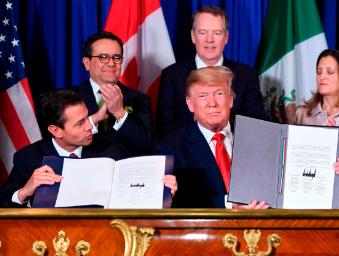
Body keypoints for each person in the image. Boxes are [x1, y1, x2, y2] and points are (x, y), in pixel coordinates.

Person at [157, 66, 339, 208]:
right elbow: (179, 203)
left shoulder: (265, 138)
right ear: (189, 104)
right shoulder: (171, 148)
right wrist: (231, 205)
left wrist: (329, 170)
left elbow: (293, 184)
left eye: (218, 94)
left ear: (231, 99)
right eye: (202, 96)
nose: (212, 103)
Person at [0, 90, 177, 208]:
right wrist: (24, 192)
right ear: (56, 131)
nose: (90, 126)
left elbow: (135, 192)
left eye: (87, 117)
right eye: (80, 123)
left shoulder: (111, 151)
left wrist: (162, 189)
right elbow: (4, 204)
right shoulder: (28, 158)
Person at [156, 6, 266, 139]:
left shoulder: (247, 76)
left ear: (226, 37)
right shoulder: (172, 76)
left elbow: (256, 125)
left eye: (217, 33)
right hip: (186, 156)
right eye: (203, 32)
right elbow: (164, 128)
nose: (209, 39)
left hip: (232, 152)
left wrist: (221, 125)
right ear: (193, 36)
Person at [75, 31, 155, 155]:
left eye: (116, 58)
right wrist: (93, 120)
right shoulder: (69, 98)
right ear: (87, 63)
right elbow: (60, 140)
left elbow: (147, 145)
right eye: (103, 57)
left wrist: (120, 114)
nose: (111, 63)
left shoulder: (139, 99)